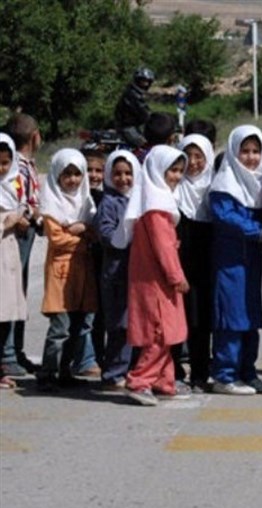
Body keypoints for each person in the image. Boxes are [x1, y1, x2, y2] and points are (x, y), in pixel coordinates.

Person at [119, 145, 191, 406]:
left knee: (167, 333)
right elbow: (163, 249)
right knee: (159, 333)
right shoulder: (156, 208)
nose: (176, 176)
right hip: (157, 281)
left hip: (156, 279)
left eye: (179, 171)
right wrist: (176, 276)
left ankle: (163, 380)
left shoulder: (156, 201)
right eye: (172, 170)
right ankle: (139, 380)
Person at [208, 125, 262, 395]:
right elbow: (226, 218)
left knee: (250, 315)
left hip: (252, 261)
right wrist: (259, 230)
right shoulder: (224, 186)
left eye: (256, 151)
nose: (250, 157)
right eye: (244, 151)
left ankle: (248, 371)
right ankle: (225, 375)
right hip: (230, 260)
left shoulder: (259, 184)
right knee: (230, 317)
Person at [36, 149, 98, 392]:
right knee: (59, 327)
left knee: (77, 326)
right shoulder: (51, 203)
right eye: (67, 174)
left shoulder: (87, 203)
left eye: (77, 174)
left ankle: (65, 371)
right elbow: (57, 239)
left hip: (82, 273)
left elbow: (95, 232)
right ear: (57, 176)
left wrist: (83, 228)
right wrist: (83, 237)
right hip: (60, 273)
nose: (72, 180)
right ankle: (47, 372)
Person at [95, 151, 141, 390]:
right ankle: (113, 374)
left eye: (128, 173)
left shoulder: (138, 199)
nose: (123, 178)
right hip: (116, 273)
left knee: (133, 324)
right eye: (118, 174)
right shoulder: (109, 202)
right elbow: (105, 233)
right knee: (118, 326)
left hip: (135, 273)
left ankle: (129, 368)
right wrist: (128, 236)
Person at [1, 113, 43, 377]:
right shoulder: (19, 168)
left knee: (19, 295)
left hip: (18, 232)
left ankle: (16, 351)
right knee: (11, 295)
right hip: (14, 235)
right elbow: (22, 202)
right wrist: (28, 215)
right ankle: (8, 354)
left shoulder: (22, 165)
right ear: (35, 136)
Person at [175, 134, 215, 392]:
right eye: (188, 156)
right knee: (179, 318)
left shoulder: (215, 186)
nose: (194, 162)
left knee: (203, 320)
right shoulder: (174, 187)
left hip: (208, 263)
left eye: (199, 156)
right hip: (179, 263)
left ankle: (200, 373)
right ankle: (175, 370)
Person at [0, 133, 25, 389]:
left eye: (6, 163)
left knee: (6, 313)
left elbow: (19, 206)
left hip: (8, 255)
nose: (2, 168)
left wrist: (21, 216)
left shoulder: (11, 185)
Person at [82, 148, 107, 376]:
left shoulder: (104, 197)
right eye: (88, 170)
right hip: (79, 262)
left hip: (100, 261)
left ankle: (97, 355)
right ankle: (85, 358)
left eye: (99, 170)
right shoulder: (75, 196)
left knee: (99, 314)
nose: (93, 175)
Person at [115, 67, 154, 149]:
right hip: (127, 128)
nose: (146, 84)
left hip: (134, 126)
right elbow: (144, 112)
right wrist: (155, 119)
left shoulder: (134, 93)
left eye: (148, 82)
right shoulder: (133, 95)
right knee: (147, 146)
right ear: (137, 80)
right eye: (143, 81)